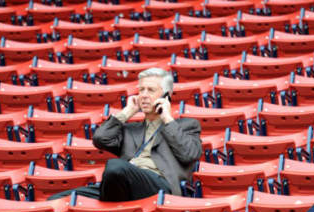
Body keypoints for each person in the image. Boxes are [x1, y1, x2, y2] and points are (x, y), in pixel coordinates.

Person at [48, 67, 202, 201]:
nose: (144, 95)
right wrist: (126, 112)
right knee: (56, 200)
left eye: (151, 90)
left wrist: (167, 118)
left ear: (166, 96)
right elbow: (100, 139)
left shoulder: (186, 126)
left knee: (115, 166)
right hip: (122, 183)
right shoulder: (130, 129)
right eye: (141, 90)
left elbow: (189, 154)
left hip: (158, 186)